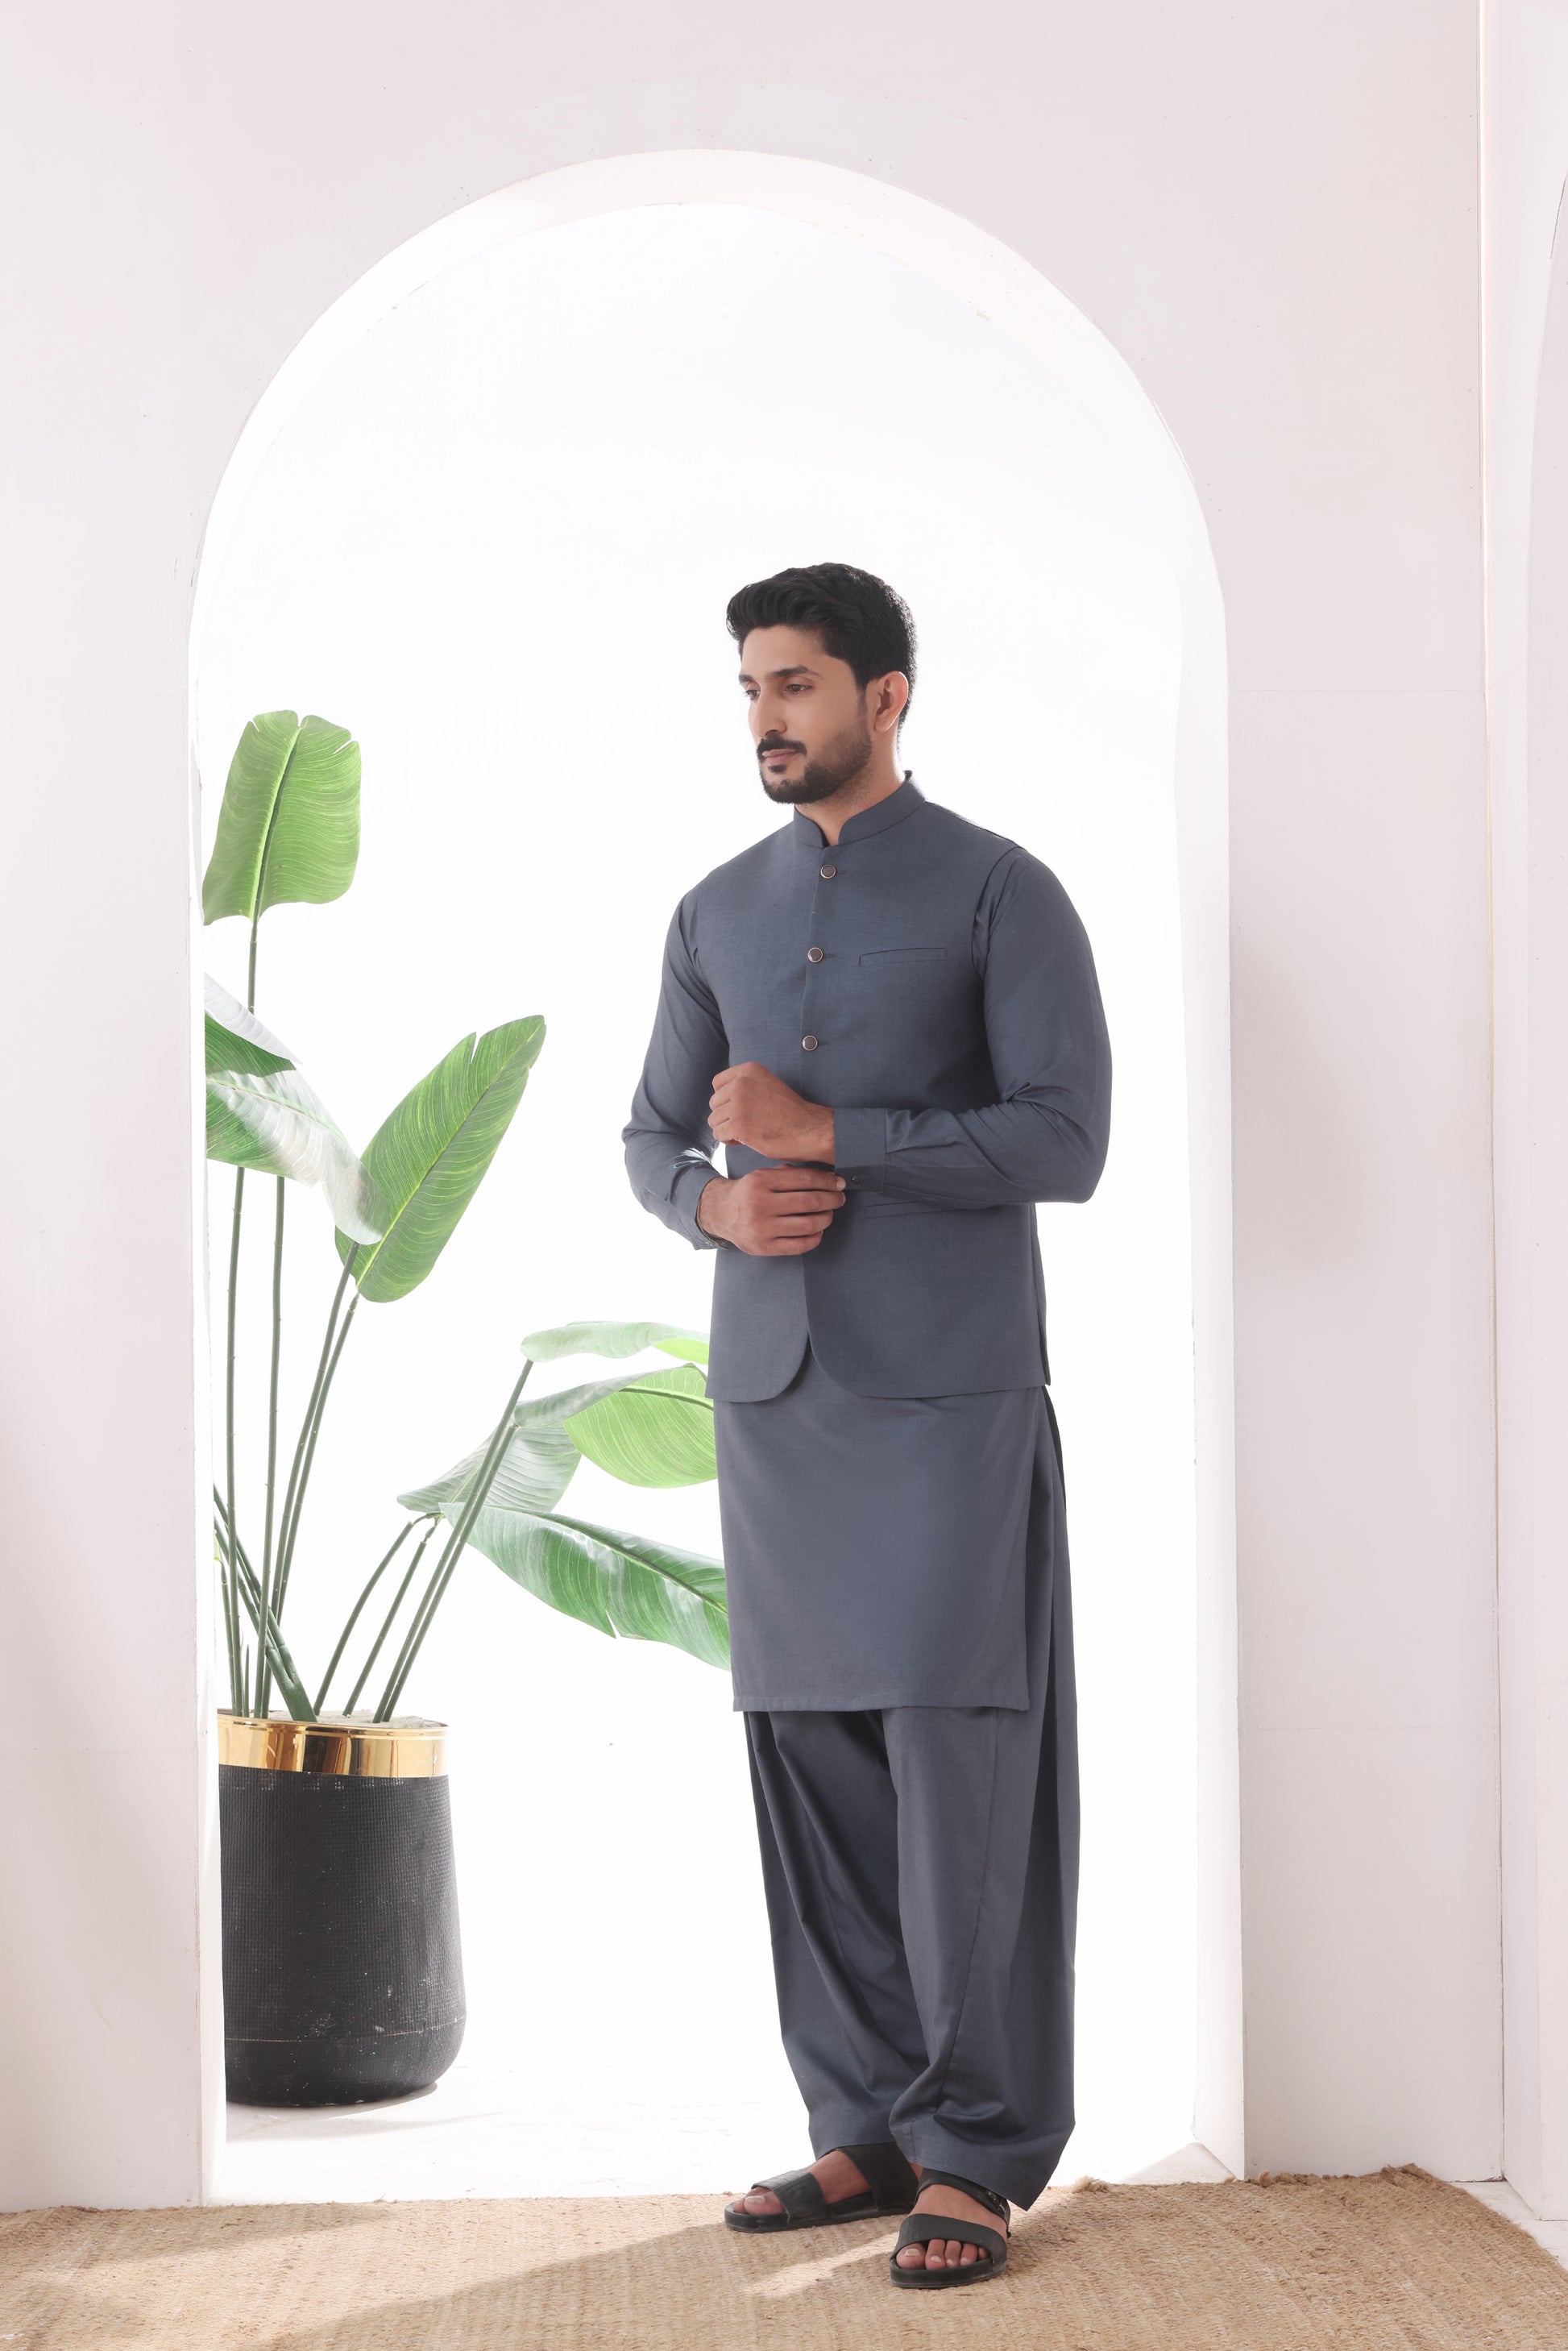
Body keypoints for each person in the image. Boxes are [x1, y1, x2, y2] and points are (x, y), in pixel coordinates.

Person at [623, 562, 1111, 2290]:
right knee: (811, 1759)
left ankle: (975, 2149)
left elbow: (1063, 1139)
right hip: (776, 1404)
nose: (767, 716)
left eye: (797, 684)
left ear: (884, 696)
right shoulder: (714, 912)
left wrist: (835, 1134)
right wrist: (711, 1206)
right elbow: (649, 1139)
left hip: (945, 1404)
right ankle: (866, 2122)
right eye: (751, 687)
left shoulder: (998, 891)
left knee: (957, 1765)